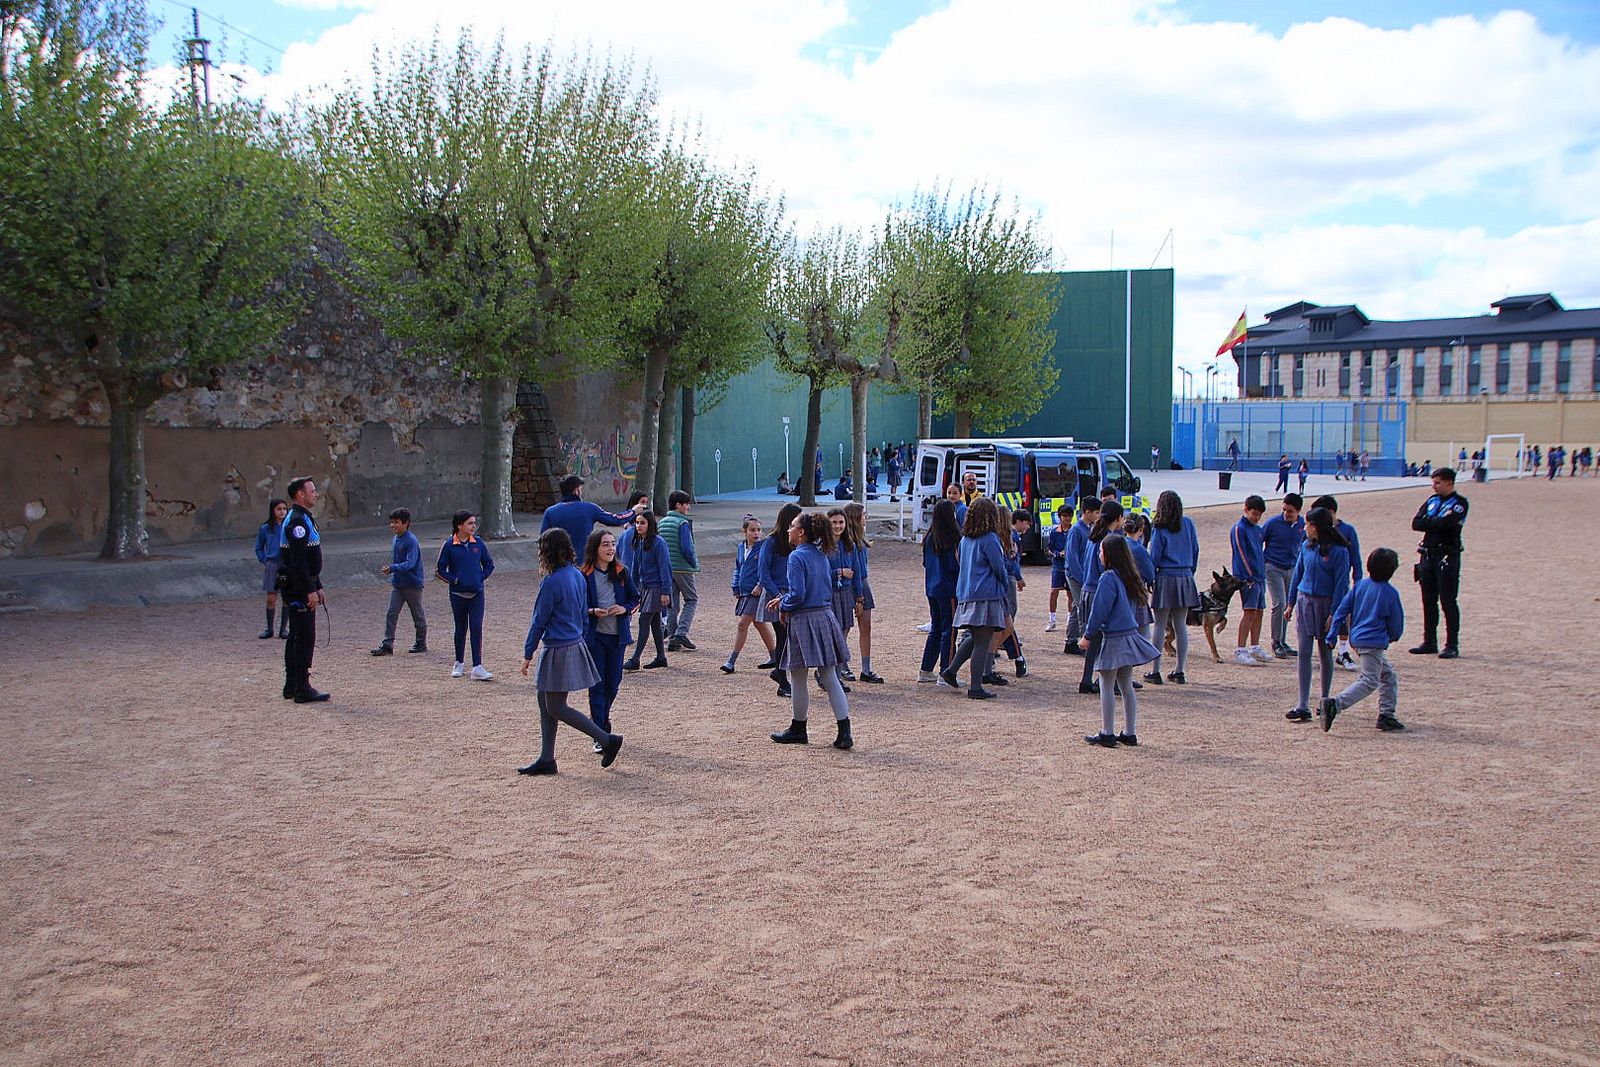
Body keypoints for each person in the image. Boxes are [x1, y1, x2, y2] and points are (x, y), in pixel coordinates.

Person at [516, 529, 624, 776]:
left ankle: (607, 740)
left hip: (558, 647)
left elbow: (539, 621)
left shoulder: (552, 581)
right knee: (545, 701)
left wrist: (528, 653)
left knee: (555, 706)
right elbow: (583, 612)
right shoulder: (576, 574)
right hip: (572, 642)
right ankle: (547, 757)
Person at [769, 512, 854, 751]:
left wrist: (783, 605)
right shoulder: (821, 554)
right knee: (830, 676)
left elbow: (798, 594)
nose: (788, 530)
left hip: (805, 619)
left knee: (798, 676)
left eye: (792, 526)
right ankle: (844, 731)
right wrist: (786, 600)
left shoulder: (797, 556)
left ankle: (799, 728)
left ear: (802, 532)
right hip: (824, 615)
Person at [1080, 533, 1162, 747]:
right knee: (1126, 685)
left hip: (1114, 637)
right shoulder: (1130, 577)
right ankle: (1130, 732)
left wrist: (1088, 635)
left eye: (1101, 551)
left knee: (1106, 683)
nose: (1099, 554)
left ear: (1109, 554)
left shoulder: (1108, 578)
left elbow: (1099, 611)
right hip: (1129, 635)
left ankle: (1107, 732)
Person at [1322, 547, 1406, 732]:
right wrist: (1393, 636)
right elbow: (1396, 623)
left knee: (1388, 675)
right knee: (1369, 680)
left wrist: (1332, 635)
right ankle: (1335, 704)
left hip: (1358, 639)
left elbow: (1341, 610)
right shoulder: (1390, 593)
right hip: (1373, 642)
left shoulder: (1360, 586)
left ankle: (1386, 714)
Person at [1282, 507, 1352, 723]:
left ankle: (1324, 700)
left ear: (1317, 527)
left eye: (1308, 525)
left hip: (1326, 603)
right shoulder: (1306, 546)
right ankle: (1302, 704)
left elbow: (1341, 584)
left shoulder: (1340, 552)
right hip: (1305, 601)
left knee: (1324, 652)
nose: (1305, 528)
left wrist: (1334, 613)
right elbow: (1298, 575)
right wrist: (1290, 603)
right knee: (1304, 652)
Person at [940, 498, 1009, 700]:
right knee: (982, 642)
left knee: (975, 637)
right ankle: (975, 687)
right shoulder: (990, 539)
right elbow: (998, 567)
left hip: (967, 593)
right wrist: (1004, 584)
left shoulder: (965, 540)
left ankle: (951, 671)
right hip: (986, 596)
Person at [581, 528, 638, 742]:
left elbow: (635, 598)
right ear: (595, 548)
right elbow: (577, 606)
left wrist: (624, 609)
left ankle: (602, 722)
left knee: (613, 684)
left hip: (617, 637)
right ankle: (600, 734)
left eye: (613, 544)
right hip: (595, 637)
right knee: (597, 686)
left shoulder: (622, 572)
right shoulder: (584, 574)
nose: (611, 548)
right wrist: (592, 611)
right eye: (605, 544)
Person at [278, 477, 329, 703]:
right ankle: (301, 687)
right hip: (298, 587)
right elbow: (298, 562)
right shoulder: (297, 521)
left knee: (297, 635)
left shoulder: (303, 517)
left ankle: (292, 685)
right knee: (304, 636)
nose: (315, 494)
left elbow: (309, 560)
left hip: (303, 584)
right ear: (300, 494)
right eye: (312, 491)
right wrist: (309, 589)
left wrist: (317, 585)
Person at [1409, 466, 1468, 659]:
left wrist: (1430, 522)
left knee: (1448, 601)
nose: (1434, 486)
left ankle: (1452, 644)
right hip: (1428, 555)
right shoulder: (1432, 501)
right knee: (1428, 600)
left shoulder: (1460, 503)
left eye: (1437, 483)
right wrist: (1435, 522)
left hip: (1446, 556)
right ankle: (1429, 641)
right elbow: (1416, 523)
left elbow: (1448, 524)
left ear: (1449, 483)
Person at [1147, 491, 1199, 685]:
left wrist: (1150, 578)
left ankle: (1155, 670)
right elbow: (1195, 550)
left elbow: (1154, 556)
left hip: (1165, 576)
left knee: (1160, 625)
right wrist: (1189, 572)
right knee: (1180, 624)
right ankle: (1180, 670)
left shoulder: (1159, 528)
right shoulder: (1188, 524)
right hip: (1185, 576)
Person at [436, 510, 495, 681]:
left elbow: (489, 564)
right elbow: (440, 570)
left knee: (476, 628)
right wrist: (454, 580)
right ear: (459, 525)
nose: (473, 526)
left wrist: (479, 578)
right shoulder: (449, 545)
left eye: (474, 523)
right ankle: (459, 663)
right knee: (460, 628)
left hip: (477, 593)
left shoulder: (479, 543)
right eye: (470, 523)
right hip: (457, 594)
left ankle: (477, 666)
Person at [1076, 500, 1124, 694]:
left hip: (1087, 590)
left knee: (1093, 640)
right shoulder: (1109, 540)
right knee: (1108, 638)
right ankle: (1107, 680)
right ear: (1118, 518)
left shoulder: (1093, 536)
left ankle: (1086, 679)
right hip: (1100, 591)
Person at [1311, 494, 1363, 669]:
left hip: (1340, 582)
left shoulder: (1347, 530)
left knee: (1342, 615)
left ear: (1331, 512)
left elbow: (1355, 558)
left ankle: (1343, 651)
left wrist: (1357, 582)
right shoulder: (1314, 530)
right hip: (1320, 585)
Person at [760, 502, 804, 698]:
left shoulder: (798, 542)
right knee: (783, 636)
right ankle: (782, 679)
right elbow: (763, 573)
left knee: (788, 637)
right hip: (776, 595)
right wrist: (777, 595)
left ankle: (780, 673)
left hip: (790, 594)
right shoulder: (771, 542)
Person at [723, 514, 777, 674]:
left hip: (756, 593)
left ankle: (731, 661)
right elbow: (738, 567)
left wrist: (760, 584)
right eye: (752, 530)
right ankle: (774, 655)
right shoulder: (741, 547)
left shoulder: (764, 547)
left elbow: (768, 568)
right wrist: (735, 585)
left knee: (743, 624)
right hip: (745, 591)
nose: (756, 533)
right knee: (759, 623)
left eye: (759, 530)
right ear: (744, 531)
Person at [539, 474, 641, 556]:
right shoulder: (589, 508)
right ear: (577, 491)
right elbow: (615, 520)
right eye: (580, 489)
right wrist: (633, 511)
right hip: (585, 563)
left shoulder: (550, 512)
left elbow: (543, 539)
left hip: (560, 563)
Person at [371, 507, 427, 656]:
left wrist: (392, 568)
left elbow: (410, 563)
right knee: (391, 613)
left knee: (417, 614)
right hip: (399, 583)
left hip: (412, 584)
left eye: (396, 522)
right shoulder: (397, 538)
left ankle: (421, 642)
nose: (393, 525)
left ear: (406, 523)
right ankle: (387, 644)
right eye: (392, 522)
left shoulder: (411, 541)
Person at [620, 509, 671, 671]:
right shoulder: (639, 542)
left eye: (642, 523)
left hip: (655, 587)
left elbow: (665, 568)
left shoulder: (658, 543)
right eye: (637, 523)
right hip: (645, 586)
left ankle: (635, 658)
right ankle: (661, 657)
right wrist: (633, 589)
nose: (639, 526)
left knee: (644, 620)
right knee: (655, 622)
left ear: (650, 524)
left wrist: (665, 591)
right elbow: (635, 569)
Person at [917, 499, 961, 685]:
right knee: (949, 631)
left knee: (936, 629)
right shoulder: (952, 539)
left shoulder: (929, 538)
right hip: (949, 589)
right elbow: (953, 566)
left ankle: (926, 669)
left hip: (932, 588)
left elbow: (925, 563)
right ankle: (946, 671)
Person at [1261, 493, 1305, 659]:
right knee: (1279, 603)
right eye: (1284, 510)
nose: (1286, 514)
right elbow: (1259, 540)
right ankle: (1276, 642)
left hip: (1292, 568)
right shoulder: (1273, 523)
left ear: (1298, 511)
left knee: (1288, 605)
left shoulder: (1302, 524)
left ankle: (1282, 640)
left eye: (1290, 511)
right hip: (1273, 567)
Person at [843, 503, 883, 683]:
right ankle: (842, 665)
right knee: (844, 627)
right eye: (863, 515)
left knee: (865, 627)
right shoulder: (847, 544)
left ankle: (866, 669)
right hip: (851, 585)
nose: (865, 518)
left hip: (863, 583)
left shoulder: (861, 541)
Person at [1230, 495, 1270, 666]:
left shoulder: (1258, 529)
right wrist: (1249, 576)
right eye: (1254, 514)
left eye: (1259, 515)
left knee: (1259, 611)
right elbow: (1241, 554)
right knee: (1249, 611)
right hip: (1248, 579)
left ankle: (1254, 645)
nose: (1256, 517)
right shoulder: (1239, 529)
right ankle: (1240, 648)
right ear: (1246, 509)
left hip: (1259, 577)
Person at [659, 490, 701, 652]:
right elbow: (686, 548)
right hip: (682, 567)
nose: (688, 507)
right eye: (686, 504)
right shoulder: (682, 523)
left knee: (672, 604)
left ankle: (672, 639)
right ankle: (681, 632)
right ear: (678, 505)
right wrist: (693, 564)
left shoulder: (662, 522)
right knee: (691, 599)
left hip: (667, 568)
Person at [824, 508, 857, 689]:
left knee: (843, 634)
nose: (838, 526)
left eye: (841, 522)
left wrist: (859, 598)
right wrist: (839, 572)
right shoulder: (822, 546)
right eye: (834, 522)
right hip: (829, 595)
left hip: (846, 593)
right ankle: (832, 677)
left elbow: (856, 572)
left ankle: (834, 674)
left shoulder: (849, 545)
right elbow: (819, 573)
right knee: (833, 636)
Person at [1062, 497, 1099, 654]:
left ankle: (1071, 640)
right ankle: (1084, 641)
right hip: (1076, 576)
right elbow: (1072, 558)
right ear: (1087, 512)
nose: (1098, 516)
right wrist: (1083, 579)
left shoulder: (1089, 527)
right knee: (1083, 607)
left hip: (1083, 575)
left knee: (1077, 606)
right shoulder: (1076, 530)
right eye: (1096, 513)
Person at [254, 498, 288, 639]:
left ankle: (283, 629)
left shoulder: (288, 526)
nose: (282, 512)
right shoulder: (265, 528)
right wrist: (264, 560)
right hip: (272, 565)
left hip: (286, 565)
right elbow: (259, 547)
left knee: (286, 597)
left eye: (284, 509)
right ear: (273, 511)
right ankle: (269, 629)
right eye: (279, 509)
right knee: (271, 598)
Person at [1045, 505, 1072, 632]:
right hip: (1058, 565)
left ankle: (1070, 620)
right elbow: (1049, 549)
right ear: (1060, 517)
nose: (1067, 518)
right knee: (1054, 591)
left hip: (1070, 566)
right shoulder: (1055, 532)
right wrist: (1058, 554)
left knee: (1070, 593)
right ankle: (1052, 620)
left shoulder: (1074, 531)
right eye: (1064, 516)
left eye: (1069, 516)